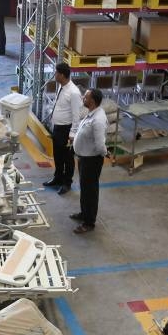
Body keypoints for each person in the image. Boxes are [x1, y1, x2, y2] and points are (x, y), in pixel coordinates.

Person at [69, 89, 107, 234]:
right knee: (85, 189)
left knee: (90, 192)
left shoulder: (98, 120)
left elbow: (100, 145)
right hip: (84, 158)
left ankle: (89, 222)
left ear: (92, 101)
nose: (83, 98)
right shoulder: (92, 114)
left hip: (92, 161)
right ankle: (84, 213)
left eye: (86, 97)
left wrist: (105, 153)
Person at [43, 63, 84, 195]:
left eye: (55, 73)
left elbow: (76, 115)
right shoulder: (62, 87)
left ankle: (67, 183)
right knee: (58, 155)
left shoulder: (74, 93)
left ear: (61, 75)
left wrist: (72, 134)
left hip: (66, 130)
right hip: (58, 128)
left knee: (67, 158)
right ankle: (58, 177)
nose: (54, 75)